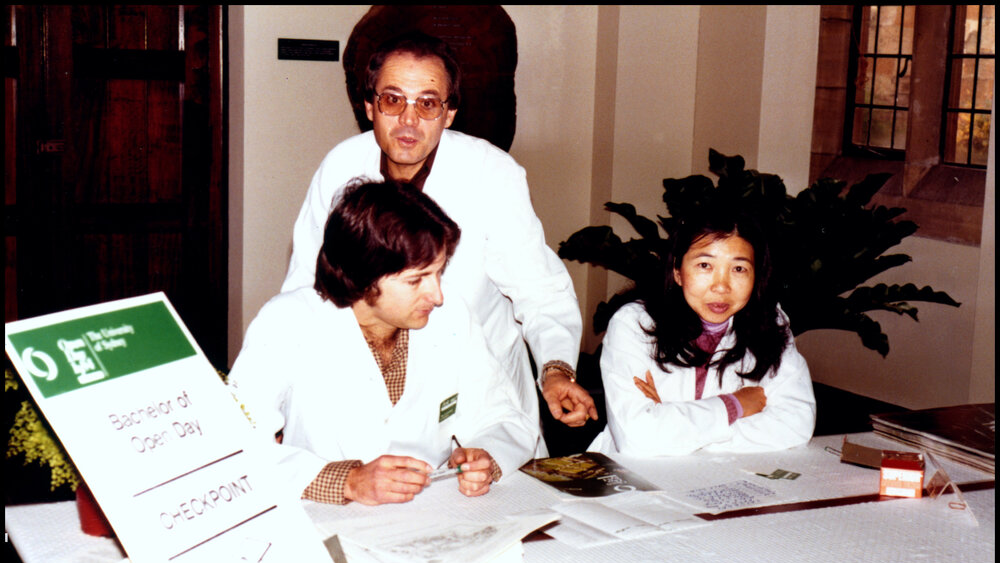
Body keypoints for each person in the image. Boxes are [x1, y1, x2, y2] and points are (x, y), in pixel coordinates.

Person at [281, 31, 597, 456]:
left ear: (448, 114)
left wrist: (556, 371)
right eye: (393, 100)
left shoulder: (492, 174)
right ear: (369, 105)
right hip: (367, 391)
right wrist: (281, 404)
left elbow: (540, 291)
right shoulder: (340, 167)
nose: (409, 121)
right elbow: (306, 289)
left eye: (428, 103)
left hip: (480, 400)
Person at [229, 180, 536, 505]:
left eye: (438, 273)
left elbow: (505, 417)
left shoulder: (451, 318)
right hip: (324, 518)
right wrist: (348, 481)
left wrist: (485, 456)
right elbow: (233, 445)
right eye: (416, 280)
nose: (437, 295)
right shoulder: (289, 321)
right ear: (364, 276)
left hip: (432, 514)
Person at [588, 212, 816, 456]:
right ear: (678, 270)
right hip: (632, 478)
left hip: (721, 478)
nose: (721, 286)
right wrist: (734, 405)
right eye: (705, 265)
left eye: (739, 268)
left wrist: (676, 430)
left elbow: (797, 423)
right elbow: (637, 438)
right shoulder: (634, 324)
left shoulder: (771, 323)